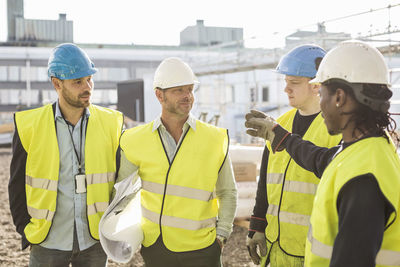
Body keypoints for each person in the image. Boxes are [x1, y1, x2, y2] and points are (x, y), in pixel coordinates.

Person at [245, 40, 400, 267]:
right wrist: (281, 137)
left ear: (339, 98)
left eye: (323, 94)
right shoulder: (369, 150)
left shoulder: (363, 179)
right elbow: (321, 159)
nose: (321, 102)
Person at [115, 57, 237, 267]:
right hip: (157, 248)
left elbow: (228, 191)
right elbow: (122, 195)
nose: (187, 96)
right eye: (178, 90)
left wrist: (222, 236)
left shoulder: (215, 138)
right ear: (159, 95)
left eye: (189, 90)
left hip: (204, 248)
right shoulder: (134, 140)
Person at [9, 43, 124, 267]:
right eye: (78, 82)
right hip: (48, 241)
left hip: (94, 240)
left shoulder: (111, 123)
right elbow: (16, 186)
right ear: (57, 84)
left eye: (90, 79)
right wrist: (27, 230)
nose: (87, 87)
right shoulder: (30, 125)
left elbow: (122, 182)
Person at [245, 44, 341, 267]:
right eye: (286, 82)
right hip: (276, 246)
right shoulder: (280, 124)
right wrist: (257, 225)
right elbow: (265, 182)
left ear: (317, 86)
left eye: (294, 83)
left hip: (313, 251)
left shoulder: (335, 130)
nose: (286, 89)